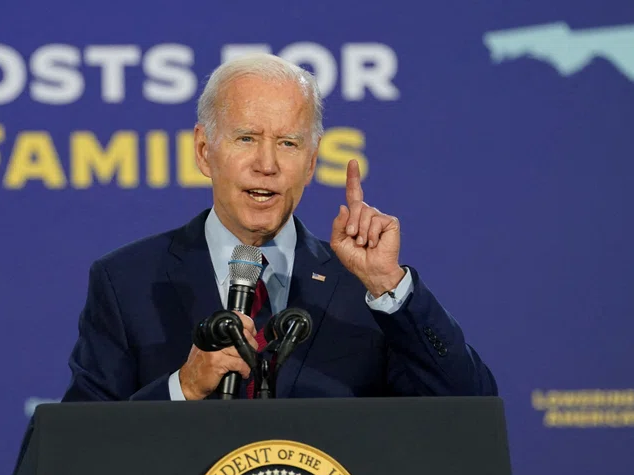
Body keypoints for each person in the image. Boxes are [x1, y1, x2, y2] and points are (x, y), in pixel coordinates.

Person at [60, 53, 497, 402]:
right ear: (203, 150)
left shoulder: (364, 289)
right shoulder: (126, 281)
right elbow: (80, 448)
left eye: (288, 143)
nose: (266, 165)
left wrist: (388, 284)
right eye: (246, 138)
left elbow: (469, 405)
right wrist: (184, 389)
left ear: (310, 162)